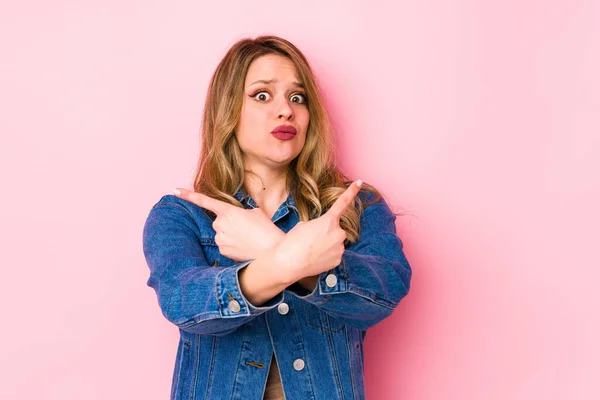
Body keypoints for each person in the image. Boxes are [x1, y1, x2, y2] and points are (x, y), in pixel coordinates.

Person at [142, 35, 412, 400]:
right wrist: (289, 259)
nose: (286, 110)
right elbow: (184, 303)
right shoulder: (181, 215)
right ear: (228, 111)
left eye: (297, 98)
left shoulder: (355, 206)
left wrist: (271, 247)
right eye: (262, 95)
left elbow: (385, 292)